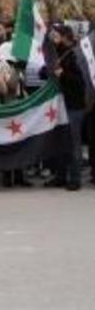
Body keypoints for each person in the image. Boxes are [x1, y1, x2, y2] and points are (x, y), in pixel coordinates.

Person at [47, 25, 87, 191]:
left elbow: (80, 82)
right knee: (61, 141)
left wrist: (63, 75)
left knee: (73, 141)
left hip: (74, 105)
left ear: (64, 37)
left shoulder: (76, 54)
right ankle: (61, 176)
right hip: (60, 105)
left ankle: (75, 178)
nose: (52, 39)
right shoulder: (58, 53)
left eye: (55, 36)